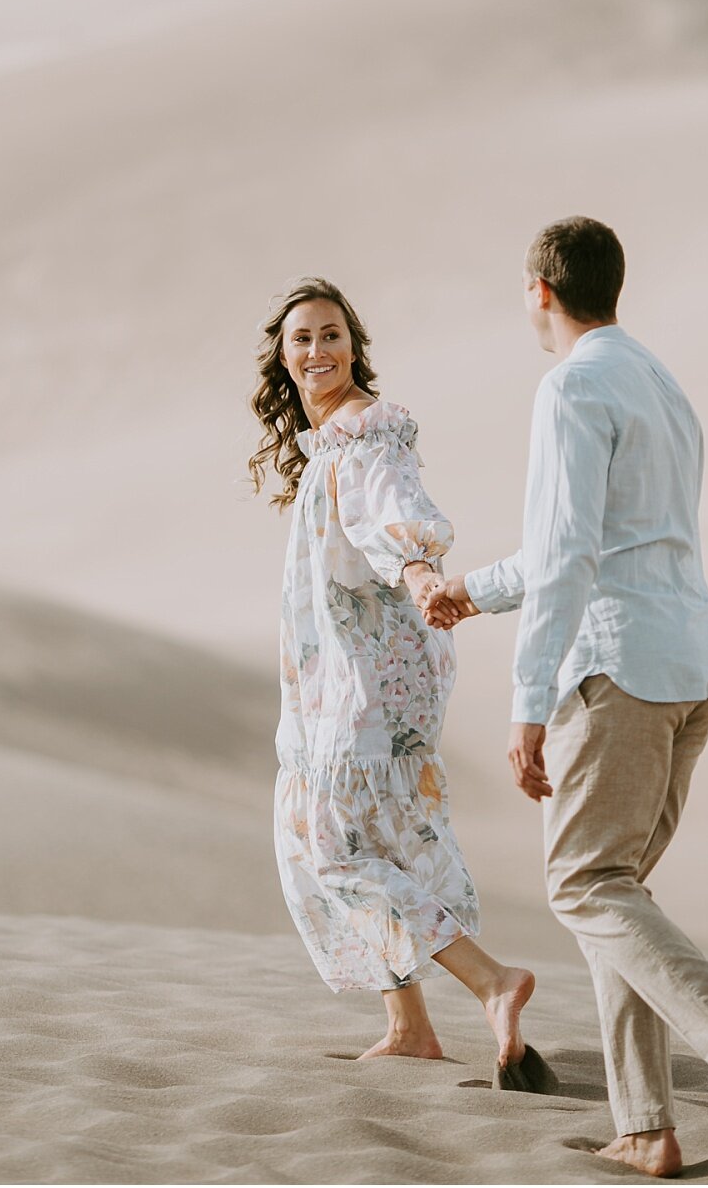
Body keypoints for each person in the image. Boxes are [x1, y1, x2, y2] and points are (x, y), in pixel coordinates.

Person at [424, 217, 708, 1175]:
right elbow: (608, 539)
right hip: (692, 670)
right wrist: (469, 590)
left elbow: (568, 557)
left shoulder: (572, 386)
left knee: (584, 885)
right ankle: (645, 1125)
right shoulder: (663, 386)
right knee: (617, 898)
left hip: (619, 669)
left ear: (540, 292)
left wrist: (525, 703)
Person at [249, 275, 550, 1083]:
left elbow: (393, 511)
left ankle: (492, 982)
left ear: (355, 348)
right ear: (282, 356)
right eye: (303, 338)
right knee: (359, 834)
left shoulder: (364, 433)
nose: (319, 350)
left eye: (333, 335)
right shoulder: (329, 446)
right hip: (341, 671)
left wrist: (419, 570)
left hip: (369, 673)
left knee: (331, 842)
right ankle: (410, 1025)